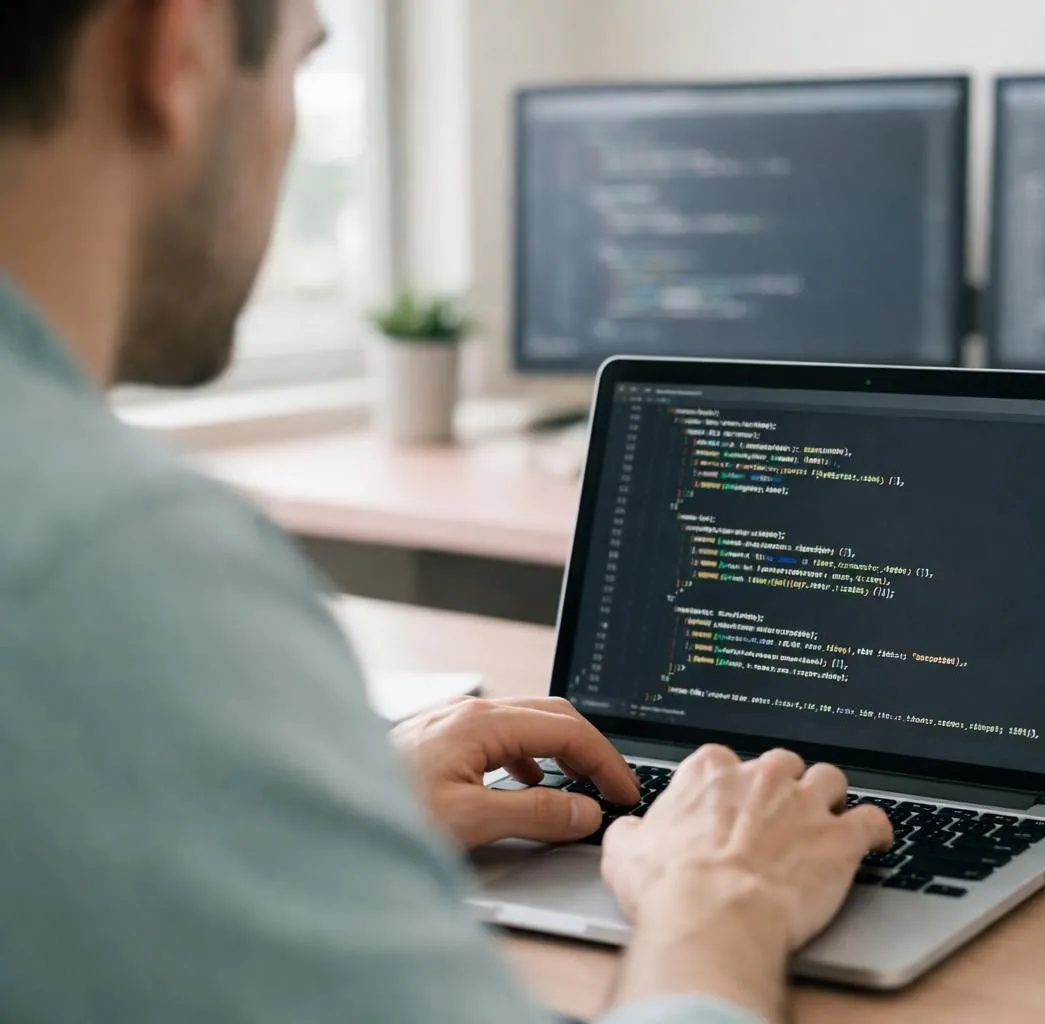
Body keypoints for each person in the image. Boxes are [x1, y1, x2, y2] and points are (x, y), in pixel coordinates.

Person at [0, 2, 893, 1022]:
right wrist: (713, 904)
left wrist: (319, 807)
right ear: (182, 50)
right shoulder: (108, 568)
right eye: (302, 61)